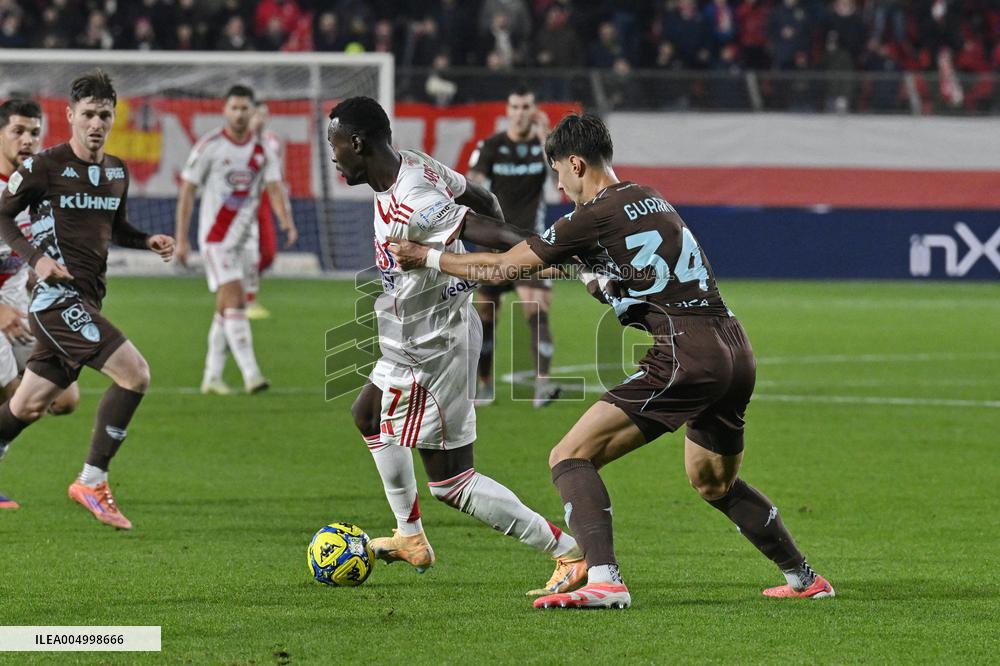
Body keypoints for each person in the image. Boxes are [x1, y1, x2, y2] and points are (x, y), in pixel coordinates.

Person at [388, 113, 834, 609]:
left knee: (570, 455)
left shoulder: (591, 215)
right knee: (714, 481)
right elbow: (632, 270)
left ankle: (605, 578)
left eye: (558, 172)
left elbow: (500, 266)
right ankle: (804, 577)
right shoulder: (649, 197)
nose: (558, 184)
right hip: (734, 346)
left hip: (688, 351)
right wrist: (598, 278)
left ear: (576, 163)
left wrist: (426, 257)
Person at [327, 96, 586, 596]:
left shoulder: (413, 201)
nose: (333, 155)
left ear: (357, 144)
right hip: (412, 339)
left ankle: (566, 551)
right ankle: (409, 536)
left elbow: (478, 223)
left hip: (429, 352)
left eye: (335, 144)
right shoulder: (414, 164)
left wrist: (549, 252)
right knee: (366, 414)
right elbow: (481, 198)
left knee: (451, 482)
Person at [0, 70, 175, 528]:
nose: (96, 124)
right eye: (88, 115)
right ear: (70, 116)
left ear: (112, 118)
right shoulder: (45, 167)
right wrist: (36, 260)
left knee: (29, 405)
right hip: (55, 300)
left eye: (104, 115)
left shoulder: (116, 172)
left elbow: (115, 228)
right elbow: (1, 215)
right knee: (135, 374)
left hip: (88, 300)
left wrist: (147, 241)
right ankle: (92, 480)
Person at [174, 85, 297, 395]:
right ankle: (251, 374)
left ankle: (211, 376)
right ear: (224, 111)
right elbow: (187, 191)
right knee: (238, 300)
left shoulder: (262, 151)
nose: (241, 114)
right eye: (235, 108)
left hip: (247, 240)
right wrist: (181, 239)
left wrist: (286, 221)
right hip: (216, 239)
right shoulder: (210, 147)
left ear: (253, 113)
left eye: (246, 109)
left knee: (224, 307)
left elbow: (274, 188)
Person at [467, 87, 559, 407]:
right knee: (485, 316)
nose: (521, 112)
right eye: (516, 107)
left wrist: (548, 137)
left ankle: (542, 387)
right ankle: (483, 384)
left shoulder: (543, 147)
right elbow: (472, 185)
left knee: (537, 308)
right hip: (494, 245)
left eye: (526, 107)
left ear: (534, 111)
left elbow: (561, 178)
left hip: (532, 243)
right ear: (507, 111)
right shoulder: (490, 147)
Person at [245, 102, 292, 320]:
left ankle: (244, 280)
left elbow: (276, 183)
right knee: (250, 252)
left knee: (268, 253)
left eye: (264, 115)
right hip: (240, 202)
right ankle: (249, 299)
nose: (260, 119)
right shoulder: (236, 140)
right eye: (256, 114)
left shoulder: (272, 143)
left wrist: (286, 218)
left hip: (263, 198)